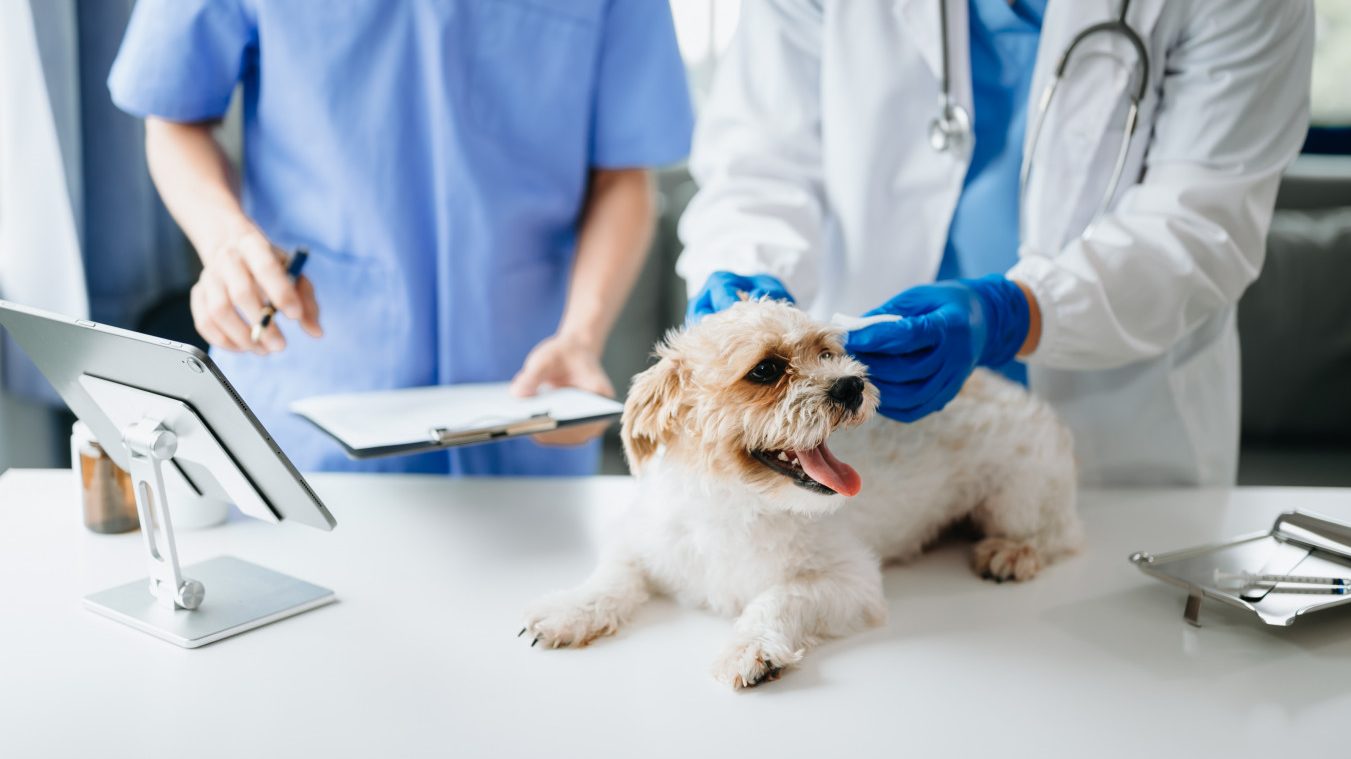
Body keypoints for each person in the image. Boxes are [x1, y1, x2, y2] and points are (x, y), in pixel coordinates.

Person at [677, 0, 1314, 486]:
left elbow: (1201, 220)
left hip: (1118, 439)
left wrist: (1016, 313)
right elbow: (758, 162)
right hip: (868, 445)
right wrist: (744, 269)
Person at [107, 0, 693, 475]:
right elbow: (175, 115)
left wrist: (582, 335)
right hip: (303, 397)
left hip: (528, 401)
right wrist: (225, 239)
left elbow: (623, 174)